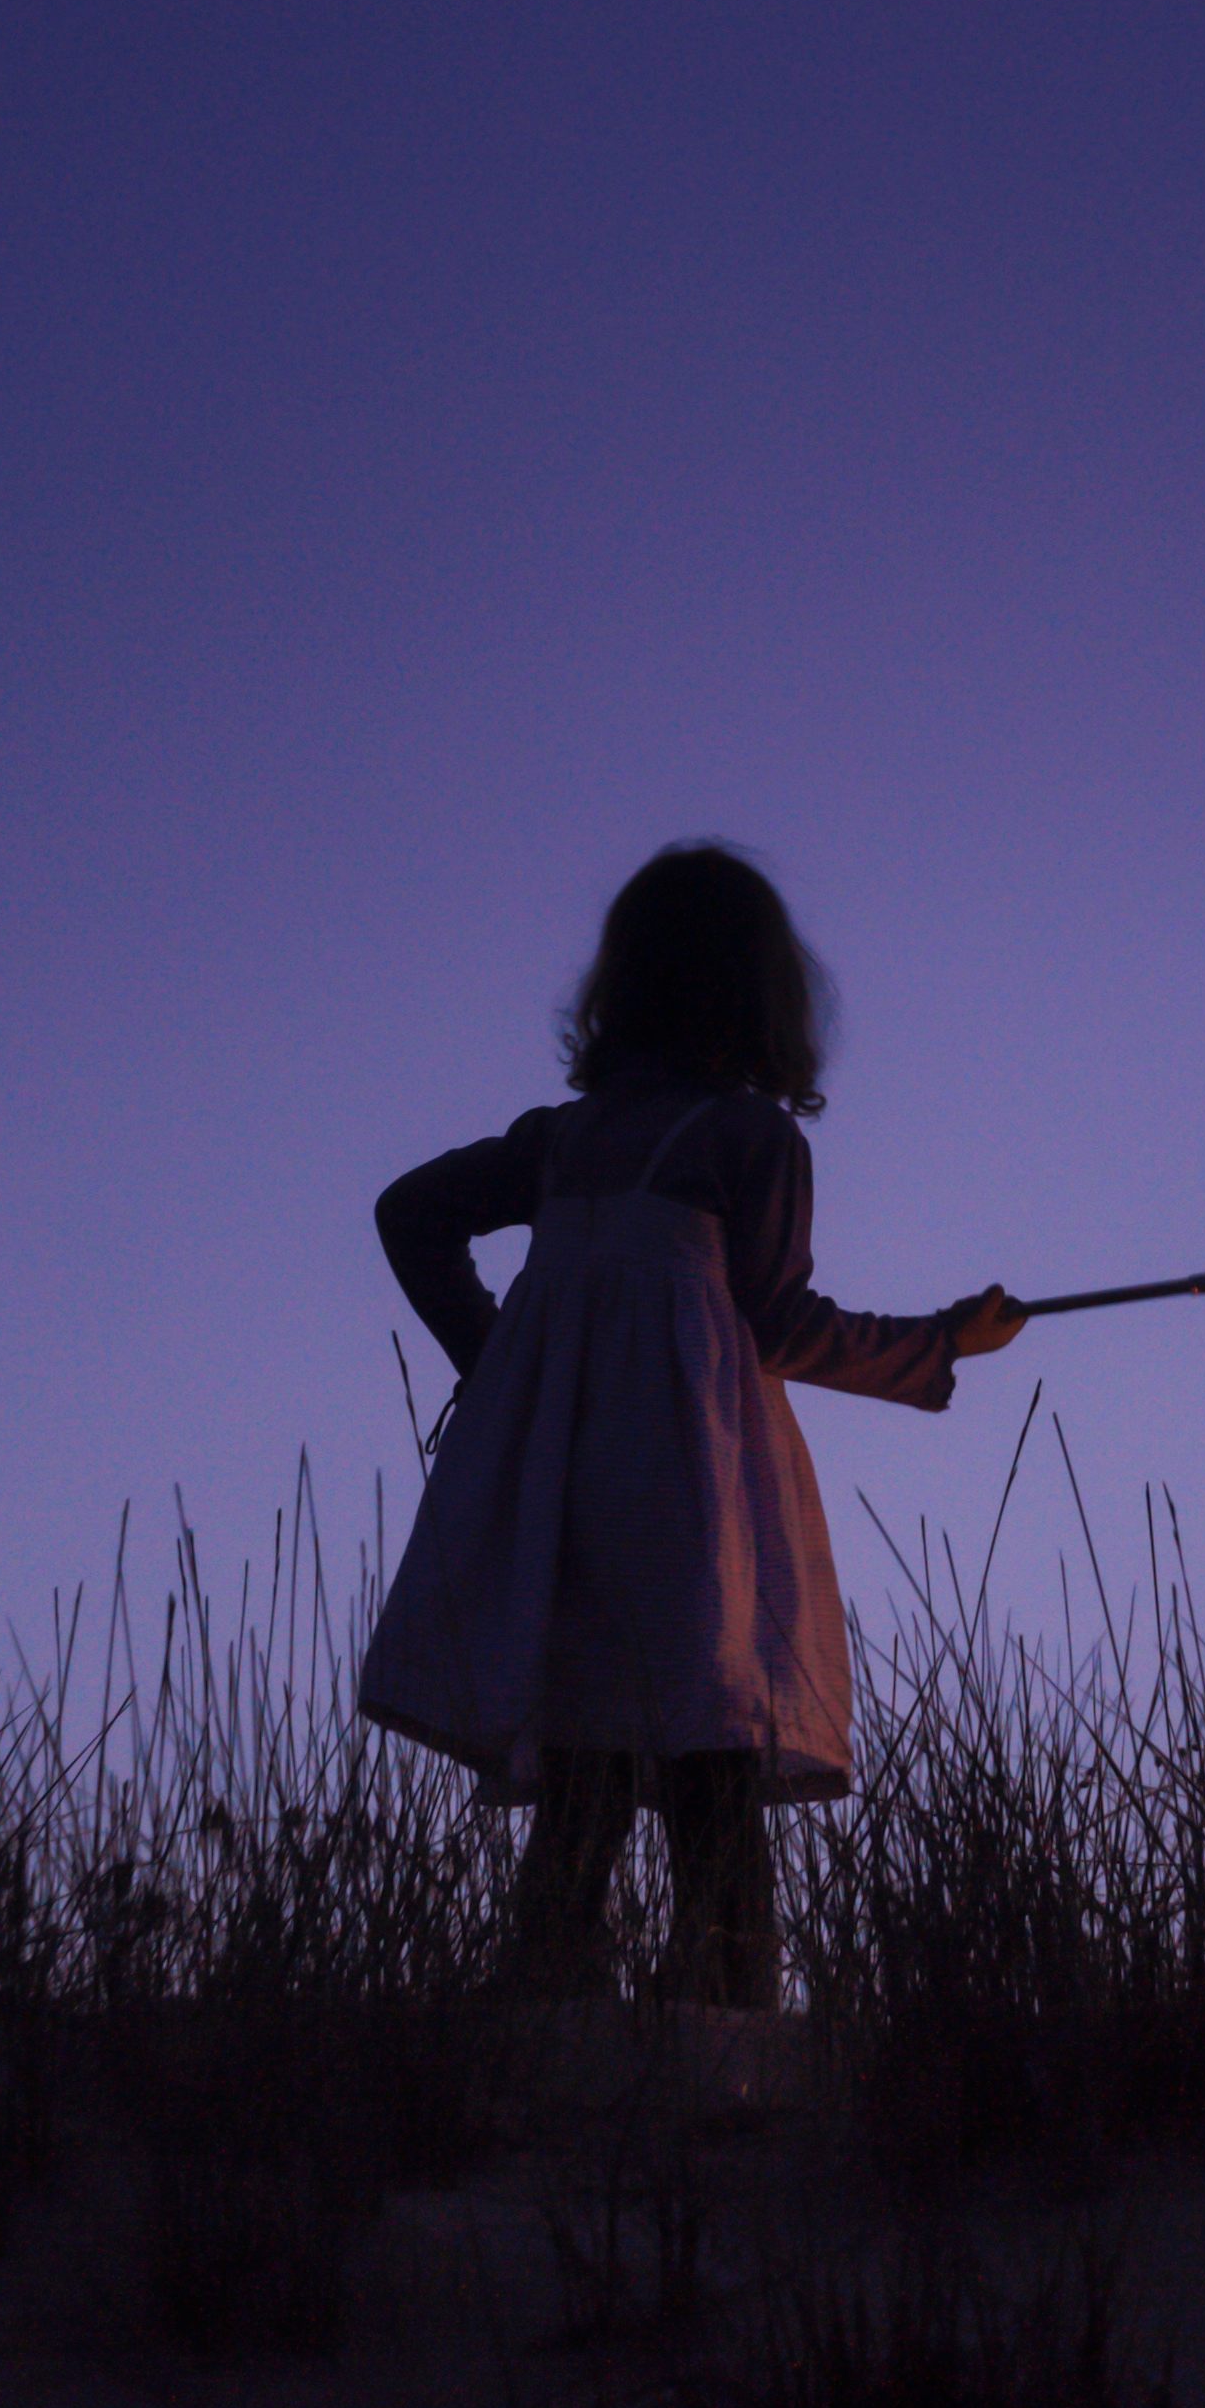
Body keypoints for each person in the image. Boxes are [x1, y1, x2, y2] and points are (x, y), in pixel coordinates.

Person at [357, 842, 1024, 2006]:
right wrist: (940, 1343)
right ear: (758, 994)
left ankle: (550, 2012)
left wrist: (502, 1361)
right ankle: (727, 2023)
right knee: (709, 1747)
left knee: (586, 1758)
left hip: (564, 1487)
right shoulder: (746, 1140)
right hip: (688, 1493)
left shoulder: (557, 1142)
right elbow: (779, 1326)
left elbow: (410, 1213)